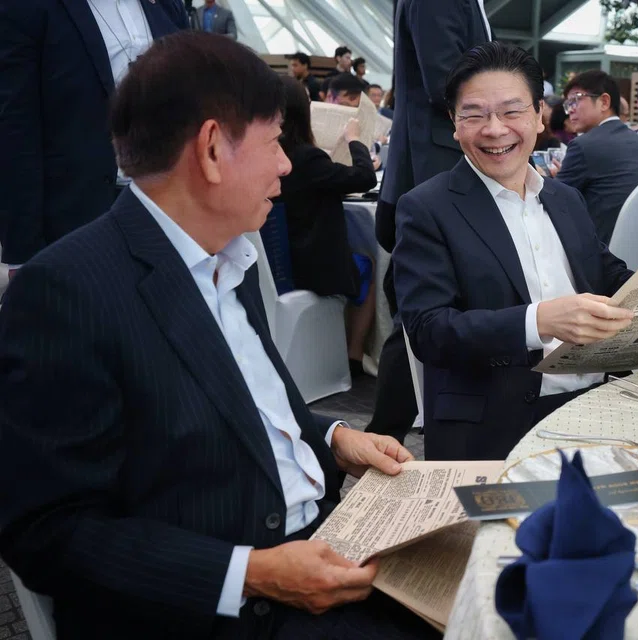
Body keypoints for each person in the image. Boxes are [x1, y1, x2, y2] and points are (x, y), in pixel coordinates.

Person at [0, 32, 435, 639]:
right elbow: (44, 529)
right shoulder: (68, 291)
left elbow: (239, 409)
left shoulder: (228, 257)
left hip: (318, 547)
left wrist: (335, 438)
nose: (286, 163)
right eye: (275, 140)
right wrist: (251, 574)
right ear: (210, 150)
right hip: (228, 611)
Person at [392, 42, 638, 461]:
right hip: (496, 420)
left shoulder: (565, 198)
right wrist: (539, 320)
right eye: (474, 114)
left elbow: (615, 280)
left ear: (540, 115)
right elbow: (430, 330)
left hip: (603, 403)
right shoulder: (427, 208)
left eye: (511, 111)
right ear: (454, 123)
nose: (494, 129)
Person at [367, 0, 492, 445]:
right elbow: (446, 82)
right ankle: (380, 439)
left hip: (430, 167)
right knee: (421, 312)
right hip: (429, 171)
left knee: (429, 306)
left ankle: (391, 434)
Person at [0, 0, 185, 272]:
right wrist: (23, 253)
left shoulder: (167, 5)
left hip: (166, 210)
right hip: (77, 222)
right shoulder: (28, 7)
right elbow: (16, 133)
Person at [275, 76, 378, 378]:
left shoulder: (273, 155)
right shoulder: (306, 158)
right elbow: (364, 177)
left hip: (278, 263)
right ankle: (355, 354)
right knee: (368, 263)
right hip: (312, 267)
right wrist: (355, 140)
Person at [554, 69, 638, 244]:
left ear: (604, 101)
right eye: (567, 104)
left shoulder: (584, 145)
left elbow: (554, 202)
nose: (570, 110)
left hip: (598, 254)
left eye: (576, 100)